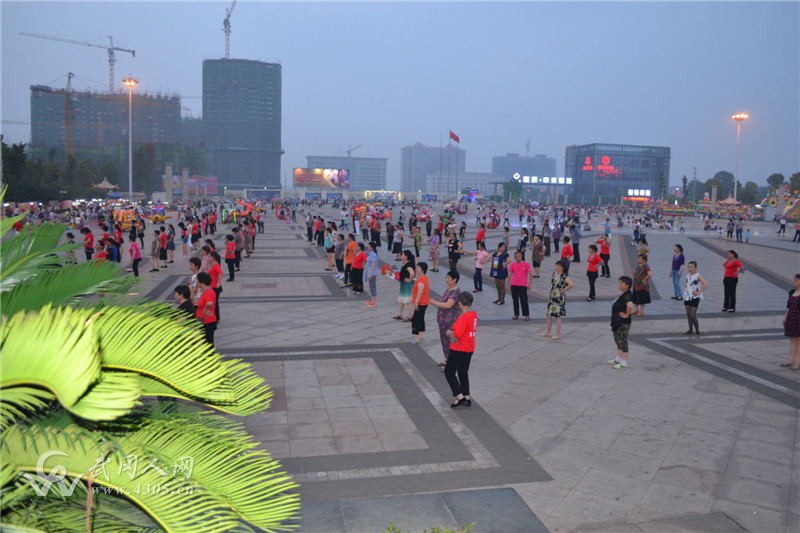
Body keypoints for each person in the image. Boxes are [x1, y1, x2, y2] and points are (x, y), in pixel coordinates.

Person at [444, 292, 478, 408]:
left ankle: (459, 395)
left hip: (459, 348)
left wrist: (449, 332)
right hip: (469, 347)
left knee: (449, 372)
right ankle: (466, 395)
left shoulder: (463, 317)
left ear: (460, 303)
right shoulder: (473, 315)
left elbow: (457, 334)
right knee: (463, 371)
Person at [429, 271, 462, 369]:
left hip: (450, 322)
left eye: (448, 278)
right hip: (443, 321)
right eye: (446, 278)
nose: (446, 280)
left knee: (450, 342)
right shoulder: (449, 289)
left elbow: (448, 305)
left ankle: (452, 363)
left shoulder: (455, 292)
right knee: (444, 341)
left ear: (454, 280)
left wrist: (433, 302)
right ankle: (448, 359)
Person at [540, 260, 573, 340]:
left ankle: (558, 334)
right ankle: (548, 331)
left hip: (559, 297)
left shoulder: (564, 276)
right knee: (549, 314)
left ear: (563, 268)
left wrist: (564, 289)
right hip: (552, 296)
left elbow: (571, 284)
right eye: (556, 266)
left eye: (559, 266)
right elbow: (552, 284)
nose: (557, 267)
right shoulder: (554, 274)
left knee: (558, 316)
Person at [608, 276, 636, 369]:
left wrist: (626, 314)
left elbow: (630, 306)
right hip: (617, 321)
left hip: (623, 323)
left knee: (622, 341)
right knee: (617, 340)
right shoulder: (624, 293)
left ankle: (623, 362)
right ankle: (618, 359)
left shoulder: (627, 295)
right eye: (619, 283)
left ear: (627, 285)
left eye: (621, 283)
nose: (619, 285)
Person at [683, 261, 708, 336]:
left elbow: (705, 284)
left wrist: (699, 292)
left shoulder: (698, 275)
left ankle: (697, 330)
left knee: (692, 314)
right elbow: (686, 282)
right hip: (687, 296)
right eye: (688, 267)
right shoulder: (687, 275)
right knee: (688, 314)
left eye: (691, 267)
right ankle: (690, 330)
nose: (689, 268)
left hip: (695, 297)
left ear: (695, 268)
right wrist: (686, 286)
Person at [781, 274, 800, 371]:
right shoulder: (792, 292)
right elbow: (788, 306)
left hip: (798, 318)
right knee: (792, 340)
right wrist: (785, 317)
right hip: (791, 317)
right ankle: (791, 360)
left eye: (796, 280)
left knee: (799, 341)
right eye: (794, 280)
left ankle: (797, 362)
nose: (794, 282)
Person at [508, 251, 532, 321]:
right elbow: (510, 274)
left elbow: (530, 274)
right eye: (516, 256)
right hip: (514, 284)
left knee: (524, 300)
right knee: (515, 300)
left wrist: (530, 284)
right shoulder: (512, 264)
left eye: (519, 256)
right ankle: (516, 314)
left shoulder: (526, 264)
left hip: (523, 285)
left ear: (521, 256)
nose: (517, 258)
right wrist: (508, 283)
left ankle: (526, 315)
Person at [195, 272, 217, 346]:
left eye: (197, 280)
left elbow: (209, 303)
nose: (196, 282)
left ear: (202, 282)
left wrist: (205, 310)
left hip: (207, 321)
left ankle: (210, 357)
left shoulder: (208, 292)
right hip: (204, 320)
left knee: (208, 343)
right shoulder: (205, 291)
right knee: (205, 342)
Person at [410, 262, 430, 343]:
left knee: (416, 319)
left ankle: (418, 337)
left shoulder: (421, 279)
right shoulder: (424, 277)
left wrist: (416, 302)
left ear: (422, 270)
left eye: (418, 268)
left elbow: (420, 291)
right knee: (420, 319)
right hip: (423, 302)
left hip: (421, 303)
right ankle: (421, 336)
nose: (416, 269)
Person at [394, 250, 416, 321]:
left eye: (403, 254)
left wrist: (409, 280)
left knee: (408, 300)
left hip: (407, 285)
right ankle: (399, 314)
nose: (401, 256)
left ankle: (410, 316)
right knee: (402, 300)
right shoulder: (407, 264)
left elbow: (412, 273)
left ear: (406, 256)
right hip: (404, 284)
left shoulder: (408, 265)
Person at [365, 241, 379, 307]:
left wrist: (371, 273)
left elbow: (373, 265)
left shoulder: (373, 255)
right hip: (369, 272)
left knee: (373, 286)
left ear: (372, 247)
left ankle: (374, 301)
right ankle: (372, 299)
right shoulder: (370, 254)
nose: (368, 247)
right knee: (371, 286)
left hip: (372, 273)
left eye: (369, 246)